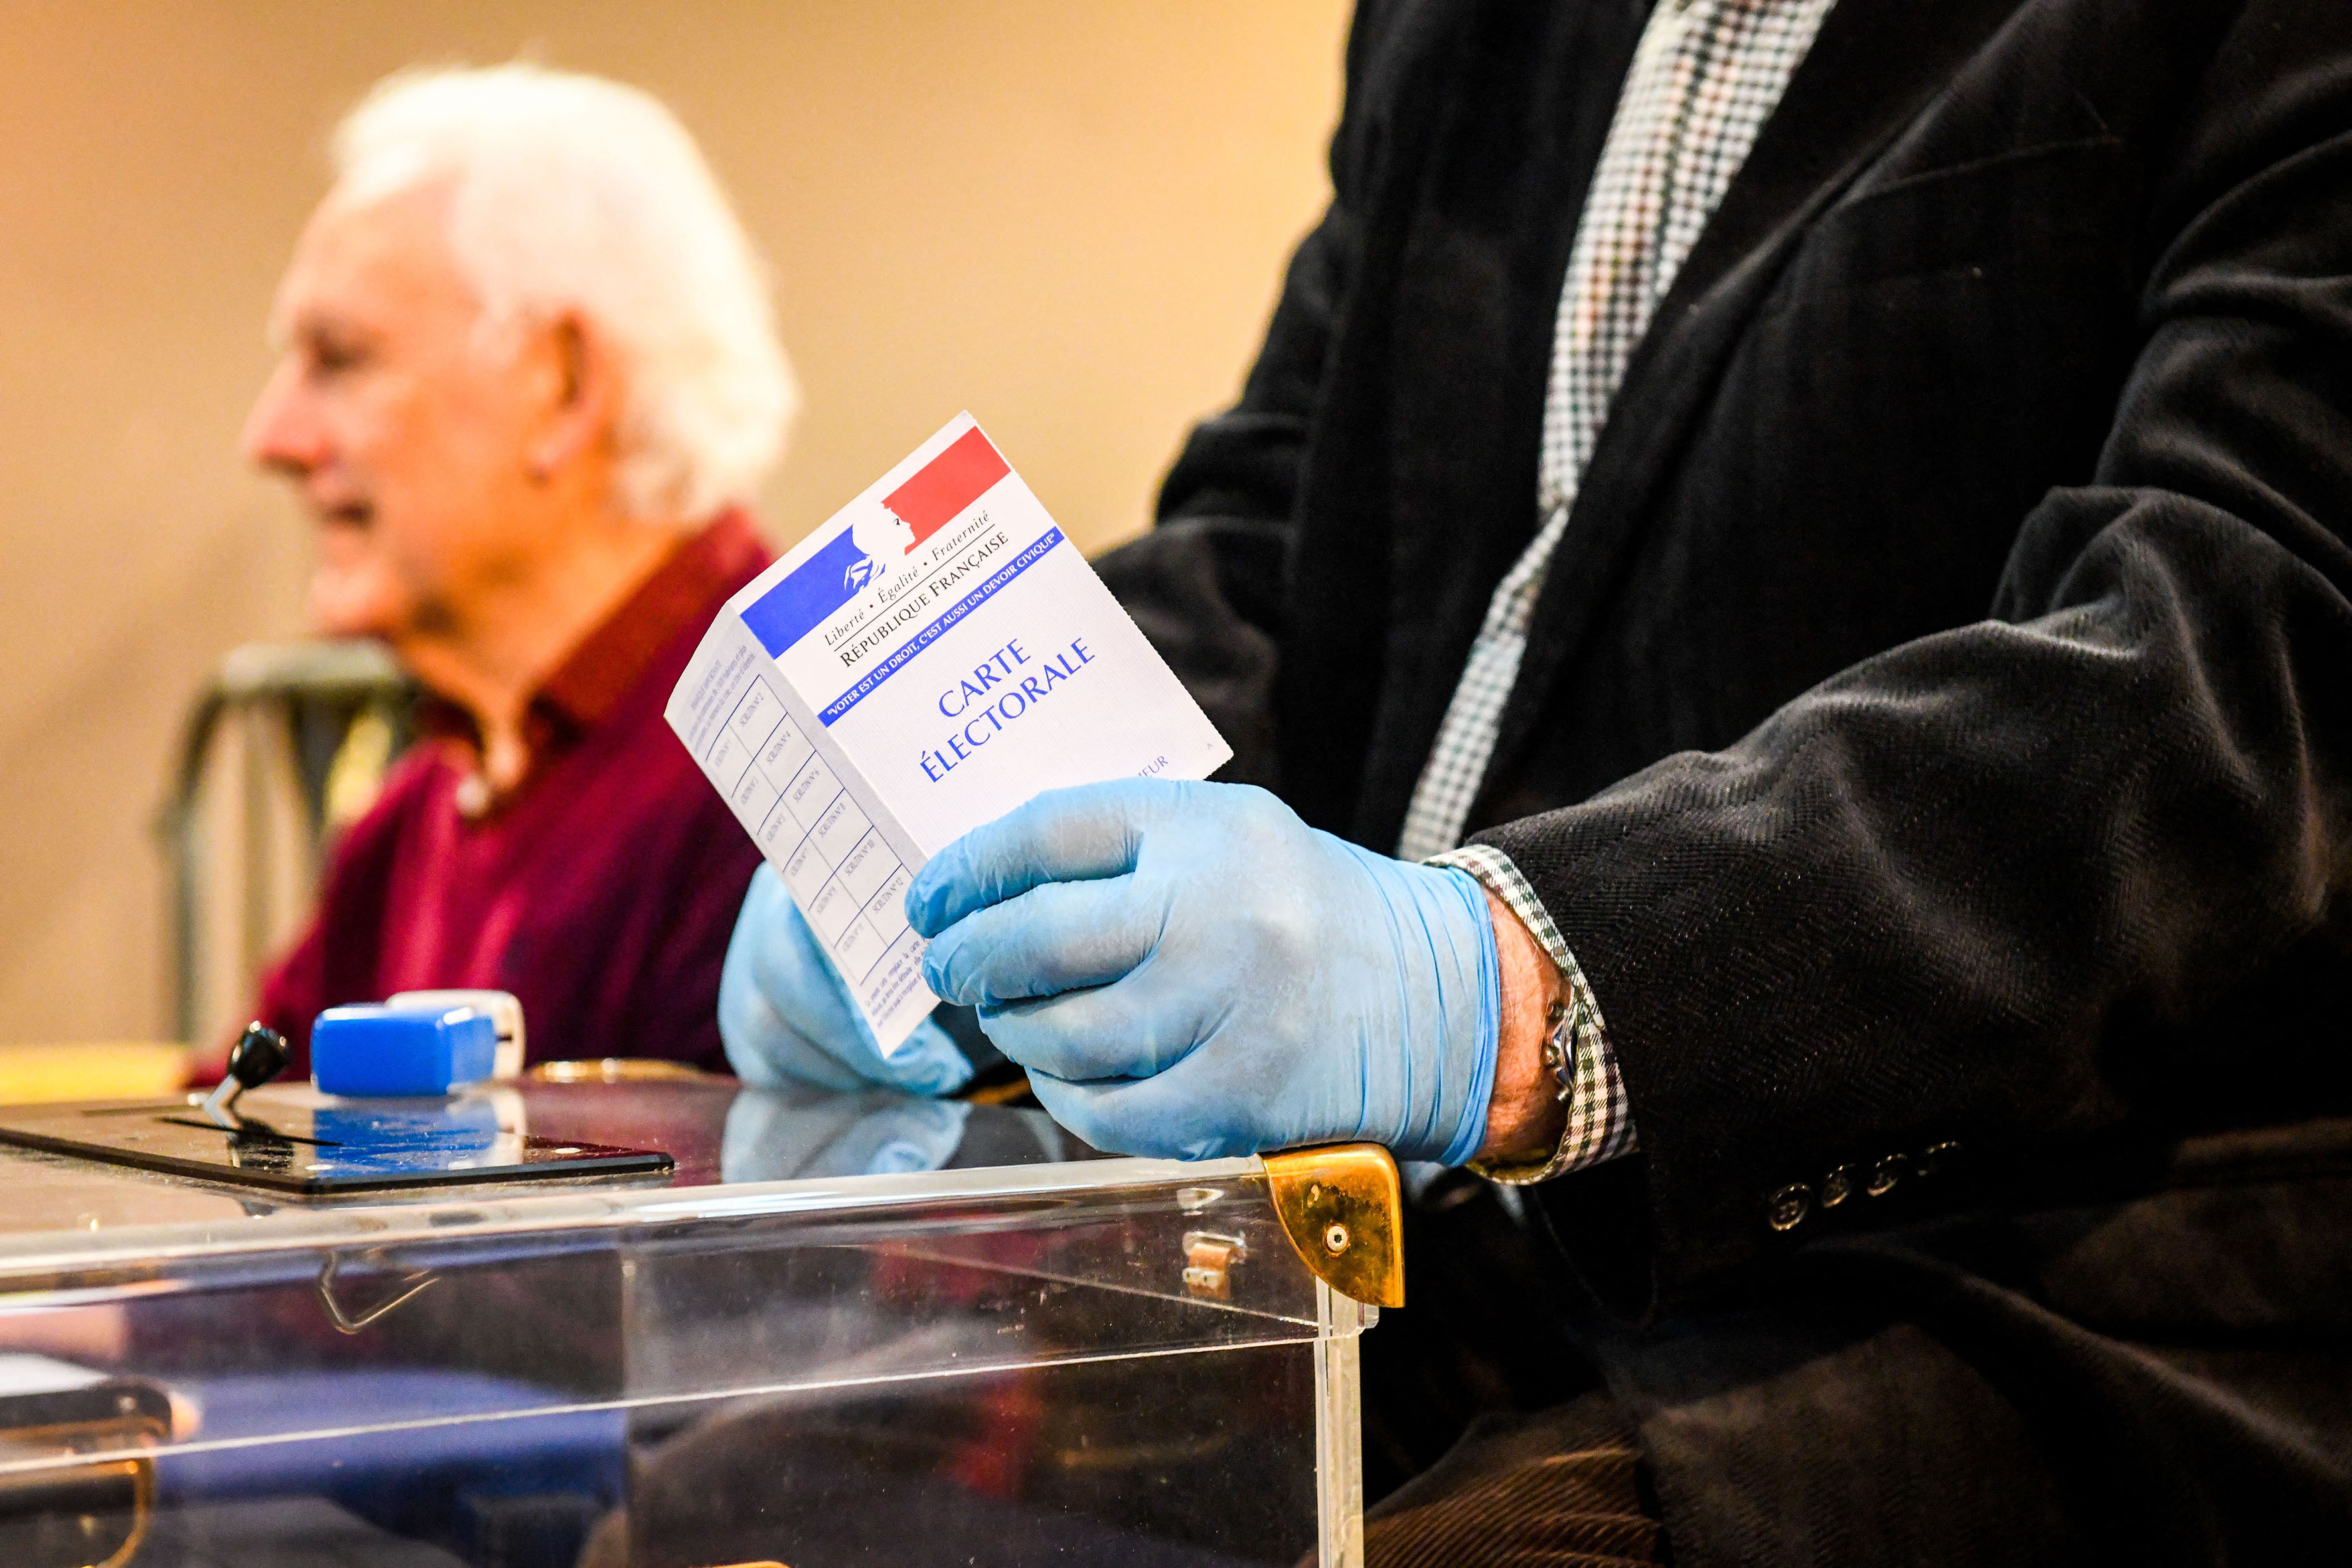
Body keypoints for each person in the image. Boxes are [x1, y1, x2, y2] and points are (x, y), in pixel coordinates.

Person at [724, 0, 2352, 1561]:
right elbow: (1286, 522)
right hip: (1408, 1257)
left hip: (1998, 1278)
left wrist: (1505, 990)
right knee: (732, 1492)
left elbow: (2247, 654)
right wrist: (971, 838)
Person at [239, 64, 795, 1075]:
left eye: (341, 358)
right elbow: (228, 1129)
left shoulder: (796, 771)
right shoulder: (421, 811)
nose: (272, 437)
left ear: (564, 385)